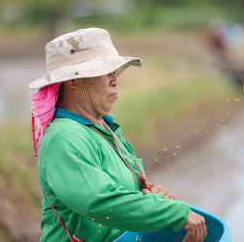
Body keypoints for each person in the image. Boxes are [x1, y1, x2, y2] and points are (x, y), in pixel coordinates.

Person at [29, 27, 206, 242]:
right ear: (72, 81)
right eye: (104, 72)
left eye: (114, 72)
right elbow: (99, 201)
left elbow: (117, 192)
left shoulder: (103, 129)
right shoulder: (65, 138)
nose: (114, 80)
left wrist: (150, 196)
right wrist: (175, 213)